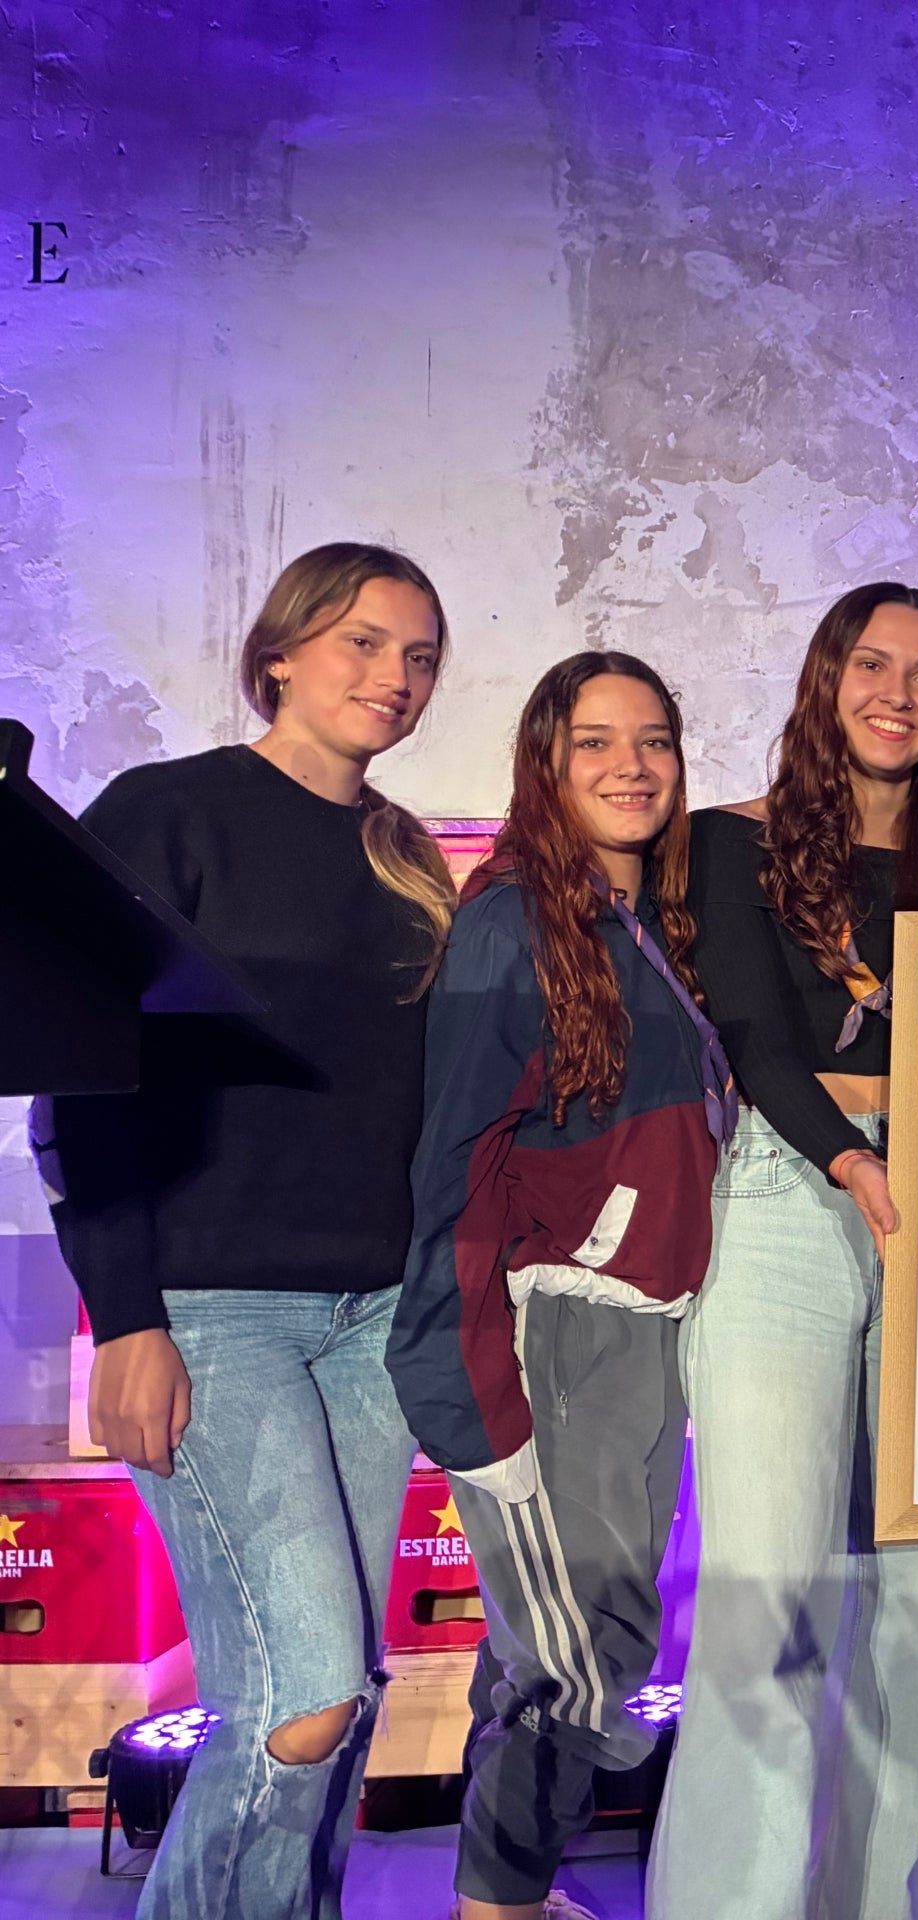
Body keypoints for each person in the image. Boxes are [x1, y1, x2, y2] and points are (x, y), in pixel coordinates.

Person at [35, 544, 454, 1917]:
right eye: (363, 642)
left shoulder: (405, 855)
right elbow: (81, 1081)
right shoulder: (167, 813)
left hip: (375, 1318)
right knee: (302, 1695)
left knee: (338, 1697)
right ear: (279, 652)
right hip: (216, 1312)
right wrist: (128, 1317)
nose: (395, 677)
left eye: (419, 656)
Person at [652, 583, 918, 1920]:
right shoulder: (728, 843)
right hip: (785, 1197)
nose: (897, 695)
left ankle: (886, 1903)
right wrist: (852, 1161)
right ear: (826, 678)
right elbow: (752, 1034)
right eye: (874, 664)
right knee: (772, 1596)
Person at [389, 653, 731, 1920]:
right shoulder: (512, 920)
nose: (631, 766)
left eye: (654, 740)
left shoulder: (646, 920)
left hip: (641, 1335)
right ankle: (497, 1906)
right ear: (545, 760)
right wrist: (467, 1387)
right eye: (595, 742)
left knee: (577, 1635)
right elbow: (455, 1162)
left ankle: (506, 1895)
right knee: (577, 1656)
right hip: (560, 1339)